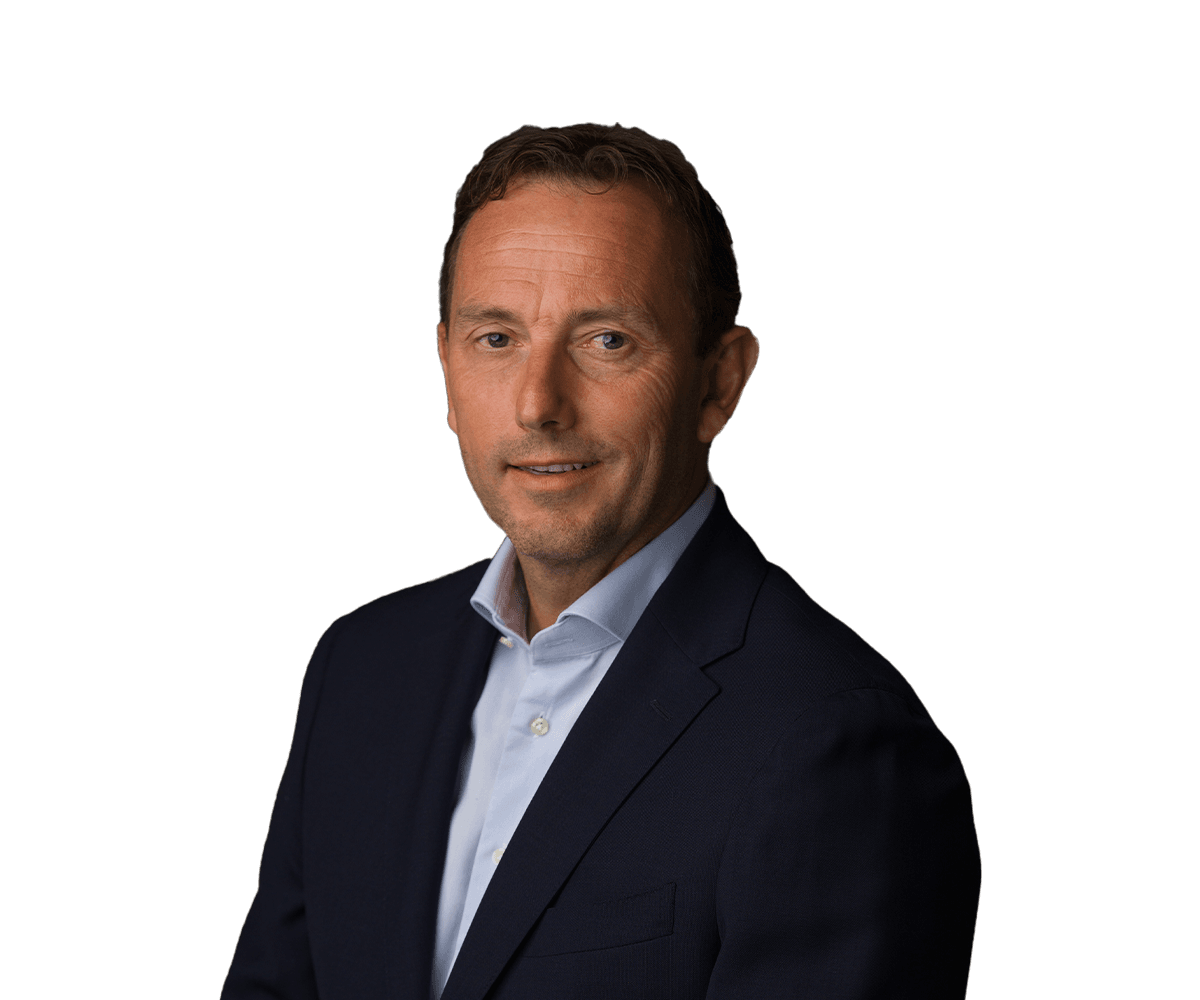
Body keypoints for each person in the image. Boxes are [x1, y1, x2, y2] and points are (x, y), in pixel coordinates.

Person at [222, 122, 981, 1000]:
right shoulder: (360, 668)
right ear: (446, 370)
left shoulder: (838, 744)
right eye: (496, 338)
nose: (538, 404)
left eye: (607, 340)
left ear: (719, 383)